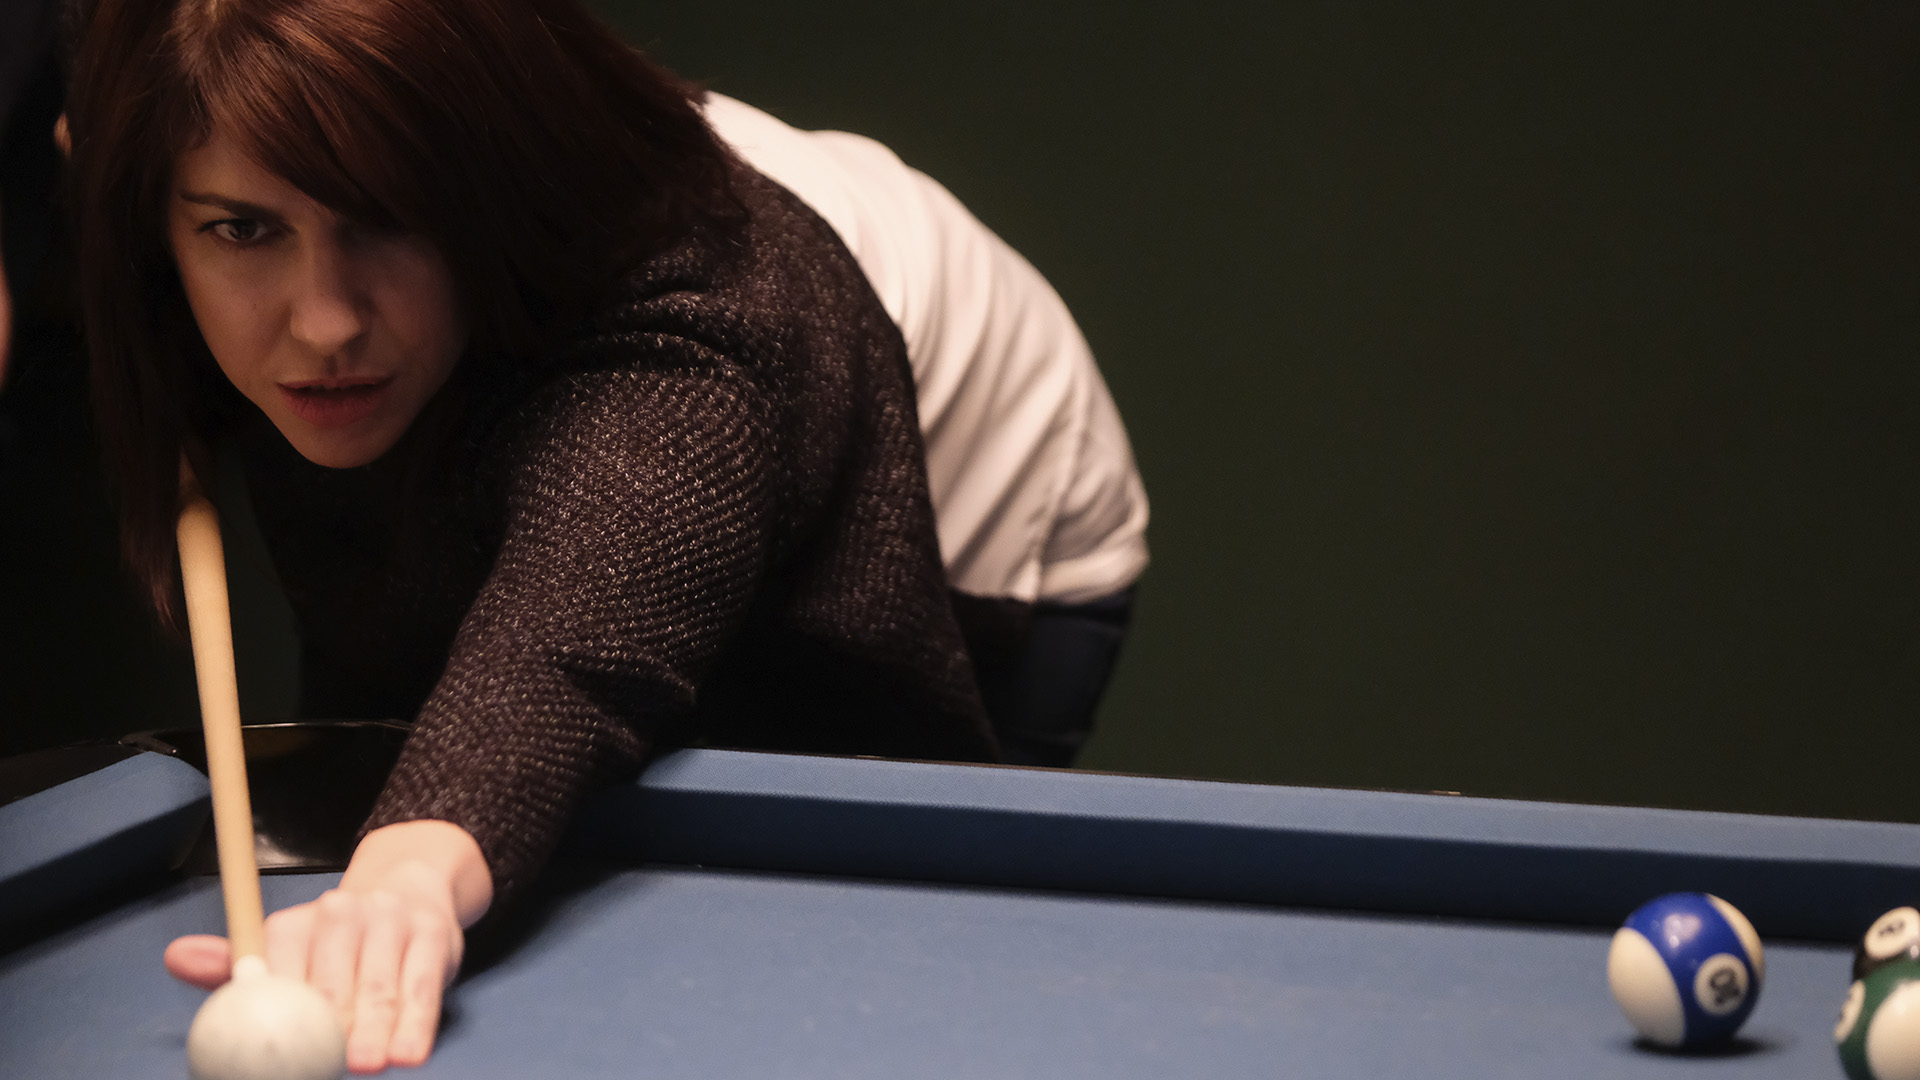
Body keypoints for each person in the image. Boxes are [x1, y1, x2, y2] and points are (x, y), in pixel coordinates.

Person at [63, 0, 1145, 1071]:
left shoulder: (707, 317)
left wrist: (404, 881)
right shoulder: (167, 152)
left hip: (987, 512)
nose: (325, 321)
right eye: (244, 229)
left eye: (387, 217)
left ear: (484, 193)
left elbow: (569, 653)